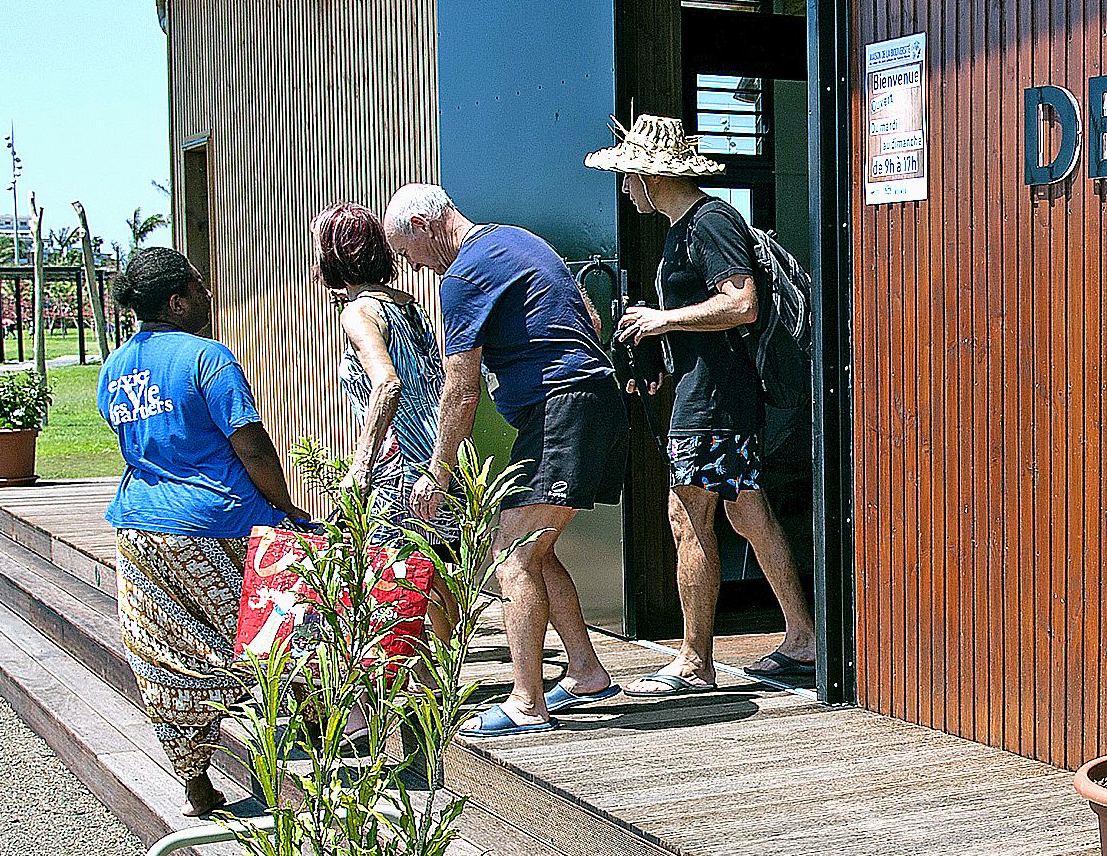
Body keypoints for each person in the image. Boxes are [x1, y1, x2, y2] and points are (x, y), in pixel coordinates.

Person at [380, 181, 623, 733]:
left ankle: (526, 702)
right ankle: (585, 670)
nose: (409, 265)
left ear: (422, 226)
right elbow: (588, 315)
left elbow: (459, 391)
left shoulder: (463, 276)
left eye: (404, 250)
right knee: (533, 547)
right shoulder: (515, 239)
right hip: (584, 400)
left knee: (511, 555)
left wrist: (437, 474)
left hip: (561, 406)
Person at [593, 116, 818, 694]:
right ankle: (803, 637)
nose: (625, 188)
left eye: (628, 175)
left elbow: (742, 303)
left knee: (688, 516)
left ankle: (696, 659)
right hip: (716, 394)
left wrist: (662, 320)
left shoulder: (710, 222)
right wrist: (658, 347)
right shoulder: (683, 229)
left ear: (652, 175)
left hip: (714, 401)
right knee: (748, 514)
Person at [98, 247, 308, 817]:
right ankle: (322, 753)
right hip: (218, 526)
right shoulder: (208, 358)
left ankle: (195, 779)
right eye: (198, 286)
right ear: (176, 302)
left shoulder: (115, 369)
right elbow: (251, 445)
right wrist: (286, 507)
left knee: (165, 658)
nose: (208, 294)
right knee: (275, 640)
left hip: (140, 529)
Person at [316, 198, 460, 577]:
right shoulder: (409, 306)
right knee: (439, 581)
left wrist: (360, 467)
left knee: (396, 587)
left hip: (400, 475)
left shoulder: (359, 313)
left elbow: (387, 384)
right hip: (442, 461)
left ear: (332, 256)